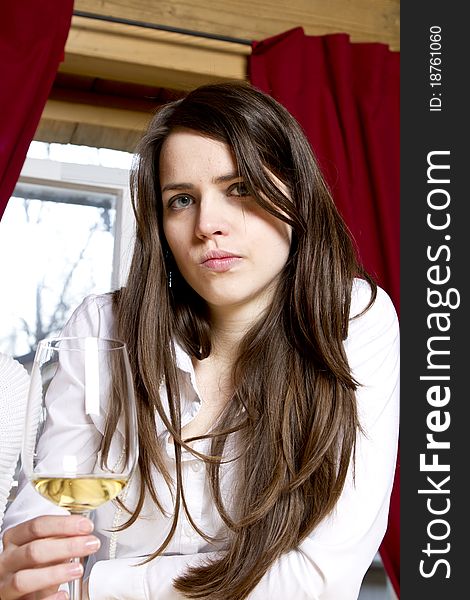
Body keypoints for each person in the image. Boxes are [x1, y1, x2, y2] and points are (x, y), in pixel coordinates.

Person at [0, 81, 399, 600]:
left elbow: (315, 581)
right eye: (182, 200)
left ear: (296, 192)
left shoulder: (353, 319)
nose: (208, 225)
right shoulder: (104, 327)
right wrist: (29, 567)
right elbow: (39, 531)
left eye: (239, 189)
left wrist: (98, 583)